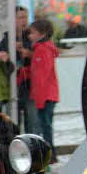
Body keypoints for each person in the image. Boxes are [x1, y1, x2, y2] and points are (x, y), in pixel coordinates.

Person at [28, 19, 59, 150]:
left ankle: (48, 153)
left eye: (32, 33)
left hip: (45, 95)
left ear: (42, 34)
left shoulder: (41, 49)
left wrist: (39, 100)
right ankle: (50, 154)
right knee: (46, 125)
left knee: (44, 126)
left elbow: (41, 76)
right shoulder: (45, 48)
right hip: (49, 94)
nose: (30, 36)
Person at [14, 6, 38, 135]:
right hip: (13, 87)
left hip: (30, 86)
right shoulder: (7, 37)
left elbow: (42, 56)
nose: (24, 21)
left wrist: (30, 54)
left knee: (32, 122)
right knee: (14, 122)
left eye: (25, 17)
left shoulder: (31, 37)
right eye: (20, 17)